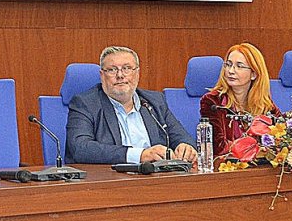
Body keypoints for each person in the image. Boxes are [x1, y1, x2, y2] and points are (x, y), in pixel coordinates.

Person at [66, 46, 198, 165]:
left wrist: (185, 147)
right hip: (112, 179)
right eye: (112, 70)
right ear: (102, 75)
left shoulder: (154, 101)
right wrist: (140, 155)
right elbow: (80, 148)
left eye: (127, 68)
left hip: (157, 177)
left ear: (137, 73)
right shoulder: (85, 103)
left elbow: (181, 137)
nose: (120, 75)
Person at [199, 43, 280, 156]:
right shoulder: (213, 101)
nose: (231, 71)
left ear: (254, 74)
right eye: (228, 65)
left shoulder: (265, 104)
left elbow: (281, 137)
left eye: (239, 66)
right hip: (227, 165)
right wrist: (256, 151)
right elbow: (218, 147)